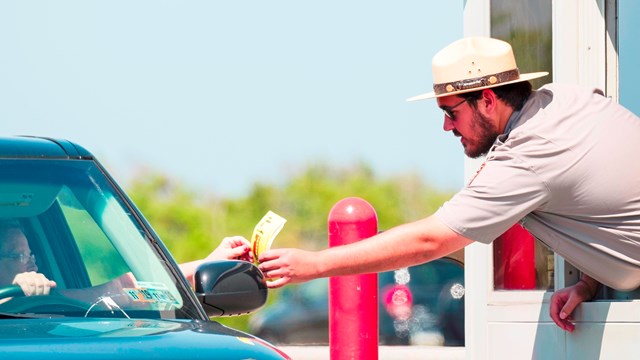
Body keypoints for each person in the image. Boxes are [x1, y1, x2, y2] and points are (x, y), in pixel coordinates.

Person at [257, 37, 640, 333]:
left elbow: (431, 240)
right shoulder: (569, 101)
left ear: (488, 100)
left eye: (450, 112)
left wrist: (314, 264)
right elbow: (606, 202)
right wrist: (590, 283)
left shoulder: (527, 155)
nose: (446, 127)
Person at [0, 219, 252, 302]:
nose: (32, 264)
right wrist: (13, 295)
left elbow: (124, 288)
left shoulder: (58, 301)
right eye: (19, 255)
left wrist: (207, 264)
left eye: (32, 255)